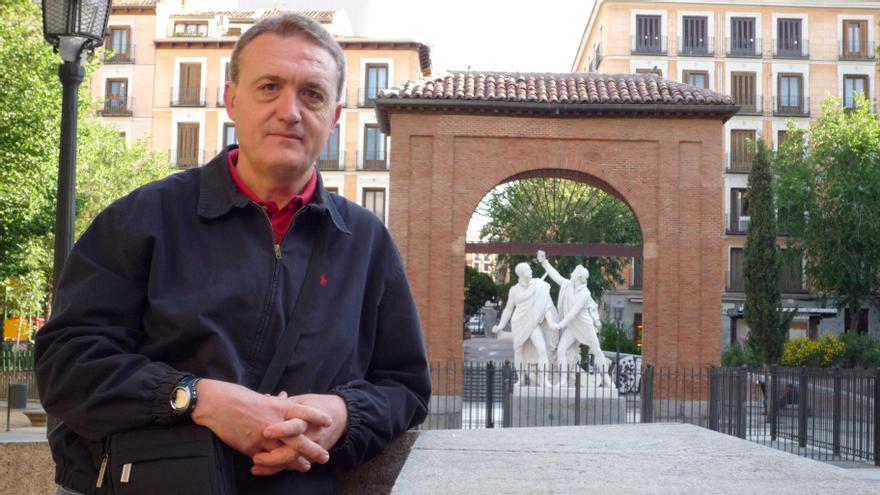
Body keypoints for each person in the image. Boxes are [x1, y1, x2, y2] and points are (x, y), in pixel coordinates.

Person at [35, 13, 431, 495]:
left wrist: (344, 414)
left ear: (334, 116)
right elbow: (65, 366)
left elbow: (405, 386)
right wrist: (196, 398)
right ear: (231, 100)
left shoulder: (367, 242)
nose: (290, 110)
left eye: (312, 94)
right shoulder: (143, 218)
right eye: (269, 87)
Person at [537, 251, 612, 387]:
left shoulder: (585, 293)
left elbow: (572, 313)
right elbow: (556, 276)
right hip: (572, 327)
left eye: (573, 273)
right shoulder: (568, 285)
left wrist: (559, 325)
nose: (571, 274)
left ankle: (606, 377)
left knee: (596, 350)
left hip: (584, 326)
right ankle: (564, 380)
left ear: (578, 277)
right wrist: (544, 262)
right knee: (561, 351)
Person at [492, 262, 557, 386]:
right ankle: (520, 378)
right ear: (521, 274)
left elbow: (546, 305)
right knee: (518, 351)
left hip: (532, 322)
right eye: (528, 270)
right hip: (518, 322)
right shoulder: (514, 290)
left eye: (530, 269)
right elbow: (508, 309)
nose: (531, 271)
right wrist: (500, 325)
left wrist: (550, 321)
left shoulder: (538, 285)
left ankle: (544, 380)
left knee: (542, 349)